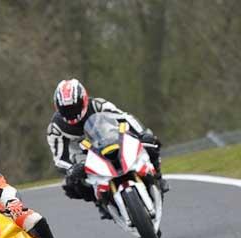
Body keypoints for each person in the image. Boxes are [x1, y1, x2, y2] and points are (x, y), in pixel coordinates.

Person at [46, 78, 169, 215]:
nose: (71, 112)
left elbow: (124, 117)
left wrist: (141, 134)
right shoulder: (55, 128)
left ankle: (158, 177)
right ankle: (100, 202)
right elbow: (58, 158)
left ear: (84, 99)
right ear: (58, 108)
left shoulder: (98, 105)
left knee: (151, 141)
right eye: (66, 110)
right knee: (71, 185)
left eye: (74, 107)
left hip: (108, 139)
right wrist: (71, 168)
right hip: (83, 155)